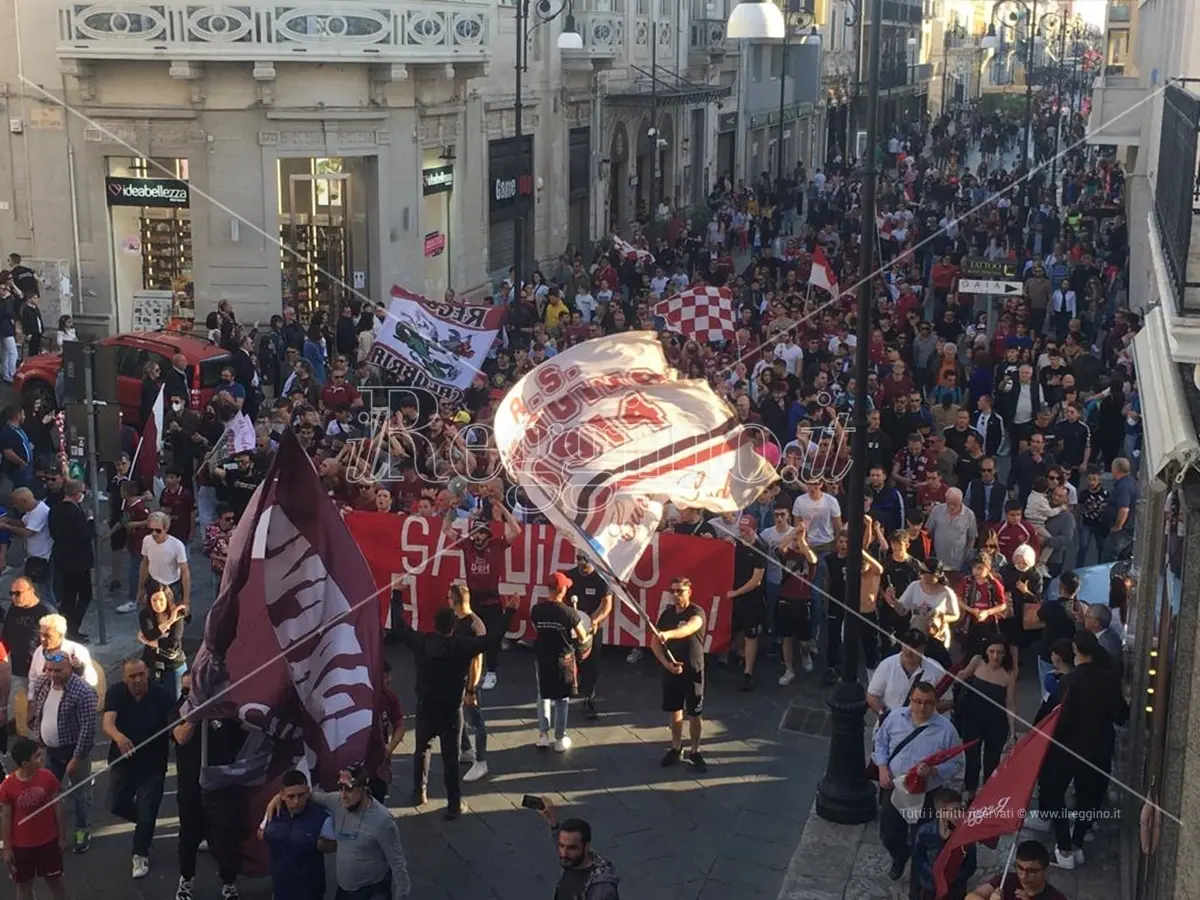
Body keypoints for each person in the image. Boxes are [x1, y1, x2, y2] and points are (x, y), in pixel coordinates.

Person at [392, 596, 516, 818]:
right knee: (451, 757)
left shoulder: (423, 642)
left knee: (422, 749)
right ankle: (454, 803)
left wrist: (397, 597)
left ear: (435, 624)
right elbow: (493, 639)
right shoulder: (461, 646)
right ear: (454, 626)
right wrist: (509, 612)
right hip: (451, 710)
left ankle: (419, 792)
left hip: (426, 706)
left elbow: (399, 626)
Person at [1033, 630, 1128, 869]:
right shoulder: (1108, 679)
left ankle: (1064, 847)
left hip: (1069, 747)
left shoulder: (1069, 681)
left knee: (1055, 793)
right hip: (1099, 746)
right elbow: (1120, 715)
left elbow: (1061, 719)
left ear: (1075, 650)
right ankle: (1076, 845)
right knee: (1089, 797)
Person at [263, 762, 412, 900]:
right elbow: (303, 795)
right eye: (340, 787)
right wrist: (277, 798)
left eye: (348, 789)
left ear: (364, 788)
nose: (342, 795)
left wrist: (402, 896)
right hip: (344, 891)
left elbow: (398, 863)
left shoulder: (383, 821)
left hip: (372, 892)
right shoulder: (336, 801)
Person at [873, 682, 965, 881]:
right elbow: (881, 742)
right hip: (896, 786)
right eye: (918, 701)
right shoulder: (895, 718)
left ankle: (917, 882)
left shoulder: (946, 730)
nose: (922, 708)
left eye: (928, 703)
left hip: (927, 793)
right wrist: (882, 768)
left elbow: (957, 763)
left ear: (935, 704)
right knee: (889, 833)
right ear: (911, 700)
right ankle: (899, 855)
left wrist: (934, 771)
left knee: (920, 839)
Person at [172, 672, 246, 900]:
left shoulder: (225, 713)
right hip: (191, 786)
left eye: (192, 691)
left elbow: (243, 736)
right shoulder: (178, 710)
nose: (188, 695)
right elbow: (180, 736)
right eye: (186, 691)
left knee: (225, 835)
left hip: (221, 785)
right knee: (189, 836)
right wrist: (195, 715)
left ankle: (229, 882)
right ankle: (186, 880)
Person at [101, 656, 173, 879]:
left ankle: (140, 853)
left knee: (148, 808)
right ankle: (145, 824)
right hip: (123, 761)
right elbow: (107, 723)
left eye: (142, 674)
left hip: (153, 763)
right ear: (124, 678)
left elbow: (174, 723)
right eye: (133, 676)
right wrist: (119, 737)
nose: (138, 679)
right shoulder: (116, 692)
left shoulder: (162, 696)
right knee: (115, 804)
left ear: (148, 673)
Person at [25, 650, 98, 853]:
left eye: (58, 670)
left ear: (70, 668)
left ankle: (82, 830)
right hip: (49, 750)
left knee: (79, 794)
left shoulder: (83, 691)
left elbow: (88, 729)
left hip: (74, 750)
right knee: (49, 793)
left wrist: (77, 758)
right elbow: (39, 713)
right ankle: (54, 832)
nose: (53, 675)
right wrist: (37, 743)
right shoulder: (43, 683)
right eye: (49, 670)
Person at [651, 576, 708, 772]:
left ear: (689, 592)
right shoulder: (667, 614)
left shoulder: (697, 612)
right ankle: (676, 747)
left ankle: (695, 750)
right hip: (673, 671)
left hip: (693, 670)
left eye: (680, 591)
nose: (675, 595)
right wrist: (667, 664)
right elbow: (654, 643)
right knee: (675, 710)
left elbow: (689, 628)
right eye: (673, 591)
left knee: (694, 713)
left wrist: (668, 634)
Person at [0, 737, 69, 900]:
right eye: (37, 756)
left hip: (48, 841)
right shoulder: (8, 786)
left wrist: (63, 837)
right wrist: (7, 848)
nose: (42, 758)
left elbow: (58, 808)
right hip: (22, 846)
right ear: (25, 763)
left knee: (55, 881)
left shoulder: (48, 777)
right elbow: (6, 817)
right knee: (23, 885)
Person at [531, 571, 588, 751]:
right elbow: (582, 636)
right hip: (564, 659)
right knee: (562, 698)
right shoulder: (569, 613)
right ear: (562, 590)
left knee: (543, 695)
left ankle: (543, 735)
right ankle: (560, 738)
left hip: (543, 658)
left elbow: (536, 628)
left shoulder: (537, 610)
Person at [953, 639, 1017, 796]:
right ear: (986, 652)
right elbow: (962, 675)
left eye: (1000, 652)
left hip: (995, 724)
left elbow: (1010, 703)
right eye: (992, 651)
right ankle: (971, 793)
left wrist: (1013, 731)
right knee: (972, 759)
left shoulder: (1008, 675)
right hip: (972, 719)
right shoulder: (977, 662)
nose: (996, 656)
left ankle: (987, 795)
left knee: (992, 760)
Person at [259, 769, 336, 900]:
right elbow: (260, 834)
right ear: (282, 795)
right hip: (280, 889)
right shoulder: (272, 812)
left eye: (301, 795)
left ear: (308, 792)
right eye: (291, 796)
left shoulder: (322, 817)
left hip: (310, 892)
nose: (296, 801)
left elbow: (333, 846)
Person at [534, 799, 621, 900]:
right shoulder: (574, 860)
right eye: (561, 846)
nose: (564, 853)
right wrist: (552, 821)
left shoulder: (601, 890)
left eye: (572, 848)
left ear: (586, 847)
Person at [564, 554, 614, 719]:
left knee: (591, 663)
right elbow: (560, 598)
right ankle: (567, 691)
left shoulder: (601, 579)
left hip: (592, 628)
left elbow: (607, 604)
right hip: (571, 626)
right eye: (579, 558)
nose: (582, 562)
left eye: (586, 559)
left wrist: (595, 620)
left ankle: (589, 697)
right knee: (567, 659)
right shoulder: (568, 576)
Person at [0, 579, 54, 729]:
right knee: (27, 701)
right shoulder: (13, 609)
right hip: (19, 668)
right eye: (11, 593)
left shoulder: (45, 611)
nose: (14, 598)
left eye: (18, 593)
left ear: (31, 591)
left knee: (42, 704)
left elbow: (56, 641)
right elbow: (5, 636)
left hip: (40, 670)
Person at [450, 585, 490, 784]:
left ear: (455, 601)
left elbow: (478, 661)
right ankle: (466, 749)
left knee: (476, 719)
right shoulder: (458, 621)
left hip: (470, 680)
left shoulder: (475, 625)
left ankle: (481, 761)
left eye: (450, 598)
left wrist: (471, 689)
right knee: (459, 713)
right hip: (458, 677)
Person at [866, 630, 946, 728]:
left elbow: (948, 701)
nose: (908, 652)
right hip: (890, 726)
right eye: (906, 645)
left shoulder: (936, 669)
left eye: (914, 647)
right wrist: (884, 715)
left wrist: (925, 710)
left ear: (923, 648)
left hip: (923, 730)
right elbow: (872, 696)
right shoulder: (887, 665)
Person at [47, 480, 93, 641]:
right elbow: (87, 535)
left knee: (68, 596)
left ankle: (66, 628)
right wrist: (91, 520)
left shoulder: (54, 509)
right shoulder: (76, 512)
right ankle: (73, 628)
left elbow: (53, 533)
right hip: (78, 561)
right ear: (77, 493)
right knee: (85, 595)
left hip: (62, 558)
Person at [909, 788, 976, 900]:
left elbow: (970, 866)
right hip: (930, 888)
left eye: (961, 809)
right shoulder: (924, 832)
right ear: (942, 813)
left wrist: (950, 877)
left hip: (954, 890)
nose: (960, 815)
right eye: (955, 810)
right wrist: (932, 875)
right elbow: (918, 860)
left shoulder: (965, 836)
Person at [727, 515, 767, 691]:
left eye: (745, 531)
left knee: (751, 634)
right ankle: (739, 653)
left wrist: (735, 593)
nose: (742, 534)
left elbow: (756, 580)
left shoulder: (760, 547)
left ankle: (748, 672)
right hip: (735, 594)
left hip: (751, 597)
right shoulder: (736, 543)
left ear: (754, 530)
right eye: (740, 530)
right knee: (734, 629)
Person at [1, 488, 55, 605]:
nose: (15, 506)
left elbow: (28, 532)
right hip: (32, 557)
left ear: (25, 502)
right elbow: (24, 522)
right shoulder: (31, 511)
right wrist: (10, 521)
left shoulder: (41, 512)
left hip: (42, 558)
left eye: (17, 503)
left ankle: (52, 615)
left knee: (44, 592)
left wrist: (7, 527)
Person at [965, 840, 1068, 899]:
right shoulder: (1008, 880)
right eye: (1020, 868)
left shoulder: (1056, 897)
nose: (1023, 876)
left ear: (1046, 870)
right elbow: (971, 896)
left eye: (1032, 871)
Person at [137, 586, 189, 699]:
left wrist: (150, 642)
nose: (157, 604)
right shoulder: (145, 614)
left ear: (167, 599)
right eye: (154, 600)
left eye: (161, 600)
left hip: (173, 665)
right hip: (152, 663)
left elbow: (172, 644)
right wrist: (169, 622)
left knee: (176, 699)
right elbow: (149, 635)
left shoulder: (177, 614)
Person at [136, 510, 191, 611]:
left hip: (172, 587)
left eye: (158, 530)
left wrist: (186, 600)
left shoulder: (177, 545)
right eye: (151, 530)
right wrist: (141, 588)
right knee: (152, 618)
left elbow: (185, 572)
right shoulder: (147, 541)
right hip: (153, 584)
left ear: (166, 529)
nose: (154, 534)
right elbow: (145, 564)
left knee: (173, 619)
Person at [28, 613, 98, 689]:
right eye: (41, 634)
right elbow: (33, 678)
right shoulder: (39, 651)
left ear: (60, 635)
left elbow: (91, 682)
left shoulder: (78, 651)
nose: (42, 639)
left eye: (47, 636)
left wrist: (80, 669)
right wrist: (31, 698)